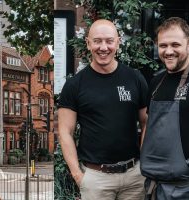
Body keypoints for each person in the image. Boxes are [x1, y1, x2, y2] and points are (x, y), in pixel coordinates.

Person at [58, 19, 148, 200]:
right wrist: (78, 175)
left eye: (109, 41)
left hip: (134, 177)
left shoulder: (135, 78)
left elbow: (147, 122)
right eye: (97, 41)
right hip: (95, 179)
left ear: (118, 42)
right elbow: (64, 131)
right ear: (88, 43)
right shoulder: (75, 85)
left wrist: (144, 164)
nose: (103, 47)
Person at [140, 17, 189, 200]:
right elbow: (149, 125)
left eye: (175, 44)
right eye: (163, 45)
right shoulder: (156, 82)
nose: (168, 51)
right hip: (154, 187)